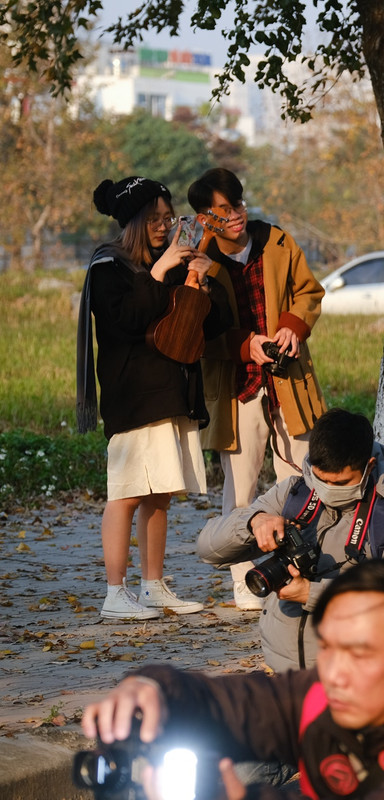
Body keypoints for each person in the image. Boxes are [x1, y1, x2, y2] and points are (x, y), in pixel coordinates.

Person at [80, 558, 384, 799]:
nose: (334, 672)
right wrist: (151, 689)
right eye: (327, 647)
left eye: (358, 653)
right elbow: (228, 703)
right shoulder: (319, 694)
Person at [77, 176, 233, 621]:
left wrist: (202, 278)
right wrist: (162, 270)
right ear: (134, 222)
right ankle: (114, 593)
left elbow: (211, 322)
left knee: (160, 494)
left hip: (172, 393)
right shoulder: (108, 267)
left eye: (170, 218)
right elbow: (124, 321)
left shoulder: (172, 263)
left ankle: (152, 586)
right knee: (125, 495)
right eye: (156, 219)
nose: (165, 227)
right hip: (133, 398)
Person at [187, 168, 328, 611]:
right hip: (238, 388)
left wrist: (291, 328)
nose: (236, 215)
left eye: (239, 204)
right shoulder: (198, 260)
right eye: (224, 210)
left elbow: (310, 292)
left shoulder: (278, 243)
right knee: (241, 487)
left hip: (289, 382)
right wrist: (245, 345)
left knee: (297, 481)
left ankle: (295, 573)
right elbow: (195, 331)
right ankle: (243, 582)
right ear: (204, 217)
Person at [197, 408, 384, 672]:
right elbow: (208, 549)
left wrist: (312, 594)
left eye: (341, 483)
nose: (328, 490)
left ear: (369, 467)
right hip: (284, 672)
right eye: (321, 480)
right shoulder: (296, 492)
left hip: (358, 676)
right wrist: (253, 522)